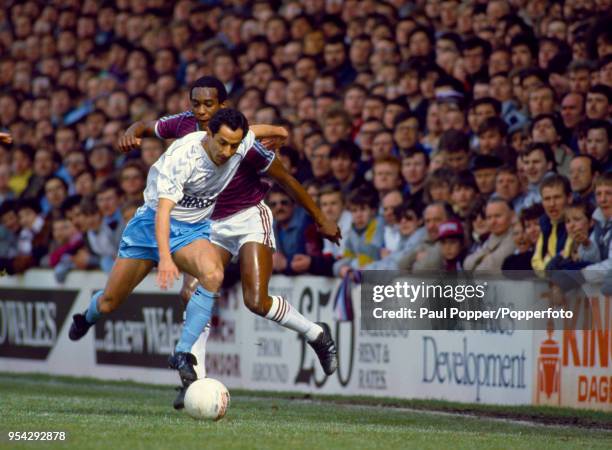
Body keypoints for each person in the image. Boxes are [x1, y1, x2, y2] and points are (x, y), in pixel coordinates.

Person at [77, 109, 340, 408]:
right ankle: (194, 381)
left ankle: (316, 333)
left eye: (210, 103)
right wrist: (132, 131)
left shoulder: (242, 141)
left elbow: (286, 177)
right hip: (207, 223)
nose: (203, 109)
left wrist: (320, 217)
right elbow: (146, 127)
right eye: (198, 103)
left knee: (256, 301)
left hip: (248, 217)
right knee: (193, 292)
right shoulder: (185, 131)